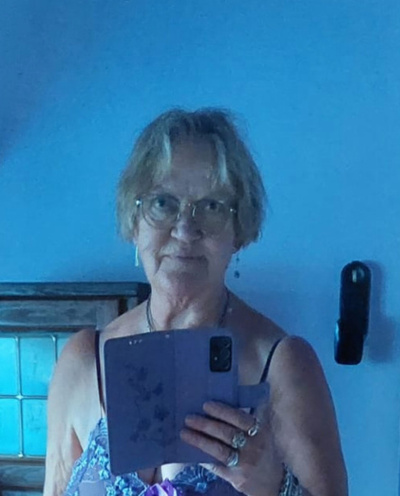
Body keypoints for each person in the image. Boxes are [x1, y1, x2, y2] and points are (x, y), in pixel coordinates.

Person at [43, 108, 348, 496]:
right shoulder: (83, 361)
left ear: (239, 231)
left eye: (212, 206)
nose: (185, 229)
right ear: (134, 221)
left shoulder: (283, 364)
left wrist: (274, 485)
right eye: (162, 203)